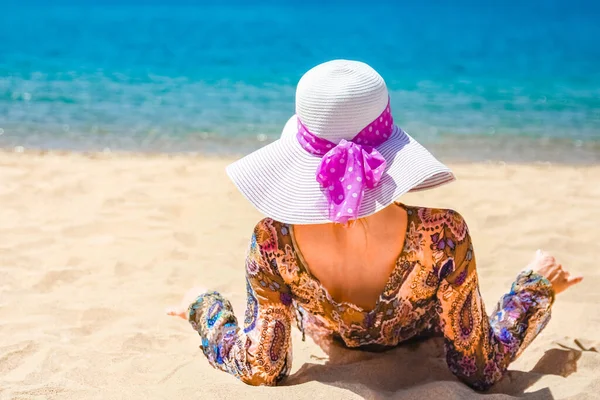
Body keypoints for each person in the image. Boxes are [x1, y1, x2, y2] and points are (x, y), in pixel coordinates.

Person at [167, 60, 582, 390]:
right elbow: (479, 366)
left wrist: (205, 308)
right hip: (424, 333)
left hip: (328, 335)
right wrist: (535, 287)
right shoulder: (442, 235)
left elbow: (263, 367)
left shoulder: (273, 240)